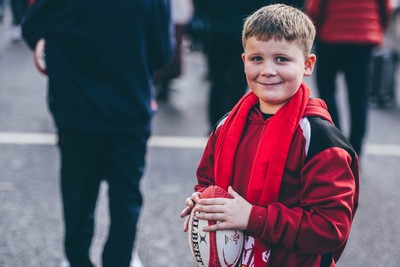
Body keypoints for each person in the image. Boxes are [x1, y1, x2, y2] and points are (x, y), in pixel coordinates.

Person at [180, 4, 359, 266]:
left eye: (282, 59)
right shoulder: (226, 125)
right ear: (244, 62)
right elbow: (207, 180)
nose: (267, 70)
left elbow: (331, 227)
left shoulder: (319, 138)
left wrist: (254, 218)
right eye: (257, 59)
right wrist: (204, 201)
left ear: (308, 65)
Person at [22, 0, 173, 267]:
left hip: (75, 108)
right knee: (126, 196)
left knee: (77, 194)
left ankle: (77, 258)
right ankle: (119, 258)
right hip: (129, 107)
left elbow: (31, 26)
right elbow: (161, 52)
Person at [305, 0, 393, 156]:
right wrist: (379, 29)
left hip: (330, 35)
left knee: (327, 90)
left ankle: (336, 143)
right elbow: (386, 7)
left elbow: (315, 7)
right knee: (359, 97)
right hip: (363, 39)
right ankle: (355, 150)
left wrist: (314, 31)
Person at [197, 0, 272, 130]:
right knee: (238, 82)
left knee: (218, 81)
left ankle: (216, 126)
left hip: (217, 28)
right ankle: (231, 123)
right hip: (244, 30)